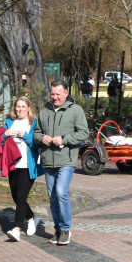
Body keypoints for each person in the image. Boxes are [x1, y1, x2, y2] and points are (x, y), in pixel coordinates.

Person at [33, 80, 89, 246]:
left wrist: (64, 139)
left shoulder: (76, 110)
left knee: (60, 192)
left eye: (58, 94)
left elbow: (84, 133)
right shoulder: (44, 112)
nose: (55, 97)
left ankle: (65, 229)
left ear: (66, 93)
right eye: (52, 94)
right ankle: (58, 229)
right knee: (52, 196)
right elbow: (36, 134)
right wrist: (41, 138)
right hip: (48, 160)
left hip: (66, 160)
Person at [3, 96, 44, 241]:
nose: (20, 109)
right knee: (16, 197)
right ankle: (32, 218)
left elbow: (37, 143)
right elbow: (0, 142)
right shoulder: (9, 123)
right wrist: (5, 134)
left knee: (21, 197)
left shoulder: (34, 123)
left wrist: (25, 136)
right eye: (18, 106)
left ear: (28, 108)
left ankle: (17, 229)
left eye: (23, 107)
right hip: (13, 165)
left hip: (27, 165)